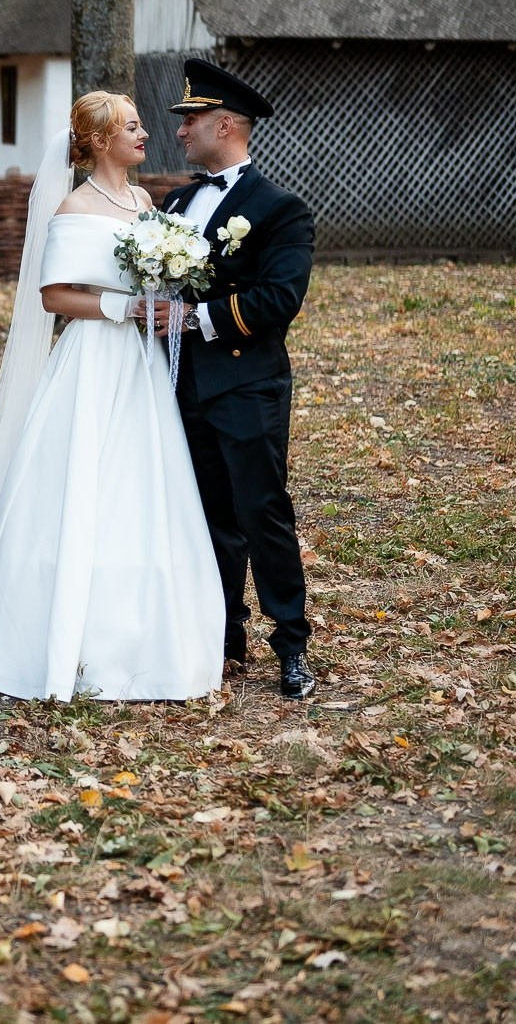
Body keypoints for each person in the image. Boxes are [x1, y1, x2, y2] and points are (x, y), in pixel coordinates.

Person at [0, 91, 224, 702]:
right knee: (83, 479)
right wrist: (124, 306)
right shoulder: (74, 206)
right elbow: (54, 296)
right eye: (133, 128)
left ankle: (144, 638)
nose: (145, 136)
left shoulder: (142, 201)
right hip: (92, 359)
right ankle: (55, 638)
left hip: (141, 365)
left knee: (140, 484)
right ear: (102, 140)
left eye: (142, 126)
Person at [157, 58, 318, 699]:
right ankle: (224, 636)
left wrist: (195, 319)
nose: (180, 132)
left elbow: (279, 300)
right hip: (179, 386)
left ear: (225, 124)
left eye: (190, 120)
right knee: (207, 516)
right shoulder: (175, 203)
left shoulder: (280, 210)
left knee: (261, 513)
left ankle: (291, 644)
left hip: (246, 385)